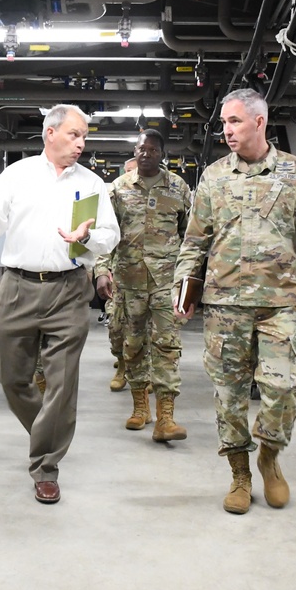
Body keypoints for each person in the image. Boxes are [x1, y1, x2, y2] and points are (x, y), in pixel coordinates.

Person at [174, 88, 296, 515]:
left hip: (281, 302)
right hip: (224, 304)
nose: (226, 130)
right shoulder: (213, 176)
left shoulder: (295, 173)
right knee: (228, 395)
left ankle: (269, 454)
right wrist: (185, 288)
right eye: (224, 123)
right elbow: (194, 242)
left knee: (285, 385)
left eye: (234, 122)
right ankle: (240, 474)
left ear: (259, 122)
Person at [0, 104, 120, 504]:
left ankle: (46, 465)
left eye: (84, 136)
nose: (81, 143)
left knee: (62, 383)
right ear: (50, 133)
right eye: (74, 135)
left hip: (68, 288)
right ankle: (45, 430)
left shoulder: (93, 184)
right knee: (12, 377)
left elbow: (111, 235)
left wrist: (88, 236)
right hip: (16, 286)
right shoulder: (18, 175)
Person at [96, 130, 192, 442]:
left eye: (152, 149)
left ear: (162, 153)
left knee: (167, 345)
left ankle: (166, 417)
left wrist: (191, 281)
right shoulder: (118, 188)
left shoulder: (178, 187)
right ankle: (140, 408)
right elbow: (105, 233)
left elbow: (190, 235)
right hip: (129, 281)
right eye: (141, 148)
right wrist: (101, 270)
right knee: (132, 344)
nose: (146, 153)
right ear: (135, 152)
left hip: (167, 282)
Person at [105, 157, 134, 392]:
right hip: (122, 274)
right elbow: (104, 236)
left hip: (157, 278)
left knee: (151, 334)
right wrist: (102, 270)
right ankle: (122, 364)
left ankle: (146, 373)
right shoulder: (116, 194)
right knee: (116, 327)